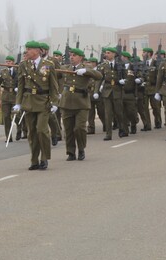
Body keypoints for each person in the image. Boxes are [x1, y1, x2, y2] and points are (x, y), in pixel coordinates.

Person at [13, 40, 59, 171]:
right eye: (26, 49)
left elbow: (53, 86)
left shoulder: (48, 65)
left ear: (38, 50)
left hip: (43, 102)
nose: (27, 51)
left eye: (30, 49)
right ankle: (34, 160)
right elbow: (21, 85)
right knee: (32, 133)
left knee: (41, 130)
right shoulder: (23, 65)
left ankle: (44, 158)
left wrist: (55, 102)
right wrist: (18, 103)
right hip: (28, 102)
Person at [58, 48, 101, 161]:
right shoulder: (65, 68)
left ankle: (81, 149)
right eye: (71, 55)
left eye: (74, 55)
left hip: (81, 102)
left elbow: (99, 76)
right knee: (68, 129)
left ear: (81, 57)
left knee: (80, 128)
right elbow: (53, 72)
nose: (72, 57)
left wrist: (86, 71)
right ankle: (71, 152)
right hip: (67, 102)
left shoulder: (87, 67)